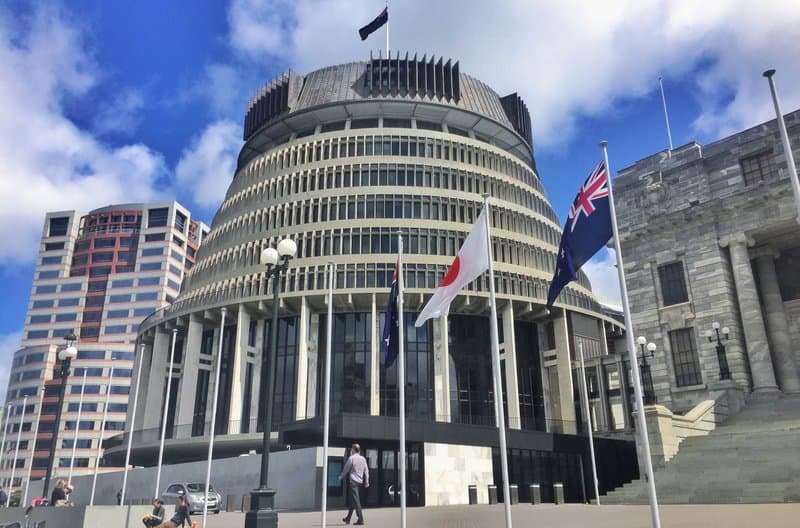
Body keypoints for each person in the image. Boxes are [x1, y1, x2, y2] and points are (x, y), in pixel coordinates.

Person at [339, 443, 369, 525]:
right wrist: (367, 481)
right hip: (360, 482)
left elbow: (346, 469)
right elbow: (366, 470)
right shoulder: (363, 459)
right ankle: (348, 518)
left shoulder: (351, 458)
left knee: (356, 500)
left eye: (352, 449)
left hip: (353, 482)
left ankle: (361, 519)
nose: (351, 450)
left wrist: (341, 476)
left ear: (353, 449)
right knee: (353, 500)